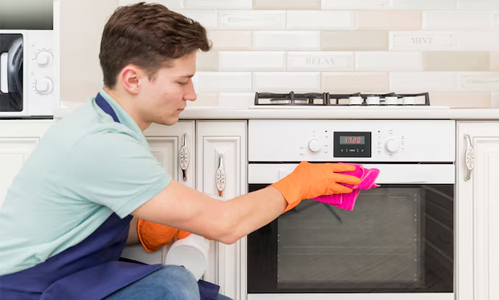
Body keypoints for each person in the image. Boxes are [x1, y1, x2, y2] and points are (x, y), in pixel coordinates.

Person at [0, 2, 361, 300]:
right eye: (181, 81)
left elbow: (74, 224)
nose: (191, 95)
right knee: (174, 285)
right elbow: (225, 224)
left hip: (69, 275)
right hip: (30, 290)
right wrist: (300, 183)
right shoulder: (101, 144)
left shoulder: (103, 126)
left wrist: (139, 231)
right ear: (133, 79)